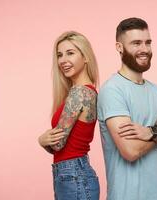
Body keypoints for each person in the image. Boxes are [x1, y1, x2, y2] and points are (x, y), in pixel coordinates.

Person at [97, 17, 157, 200]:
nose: (144, 49)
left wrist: (149, 132)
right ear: (119, 47)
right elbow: (130, 151)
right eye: (136, 43)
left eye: (148, 42)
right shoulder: (112, 90)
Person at [38, 31, 100, 200]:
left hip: (73, 175)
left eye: (70, 53)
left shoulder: (80, 93)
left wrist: (42, 140)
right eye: (59, 55)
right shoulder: (84, 92)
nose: (63, 60)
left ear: (85, 57)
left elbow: (58, 144)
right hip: (72, 175)